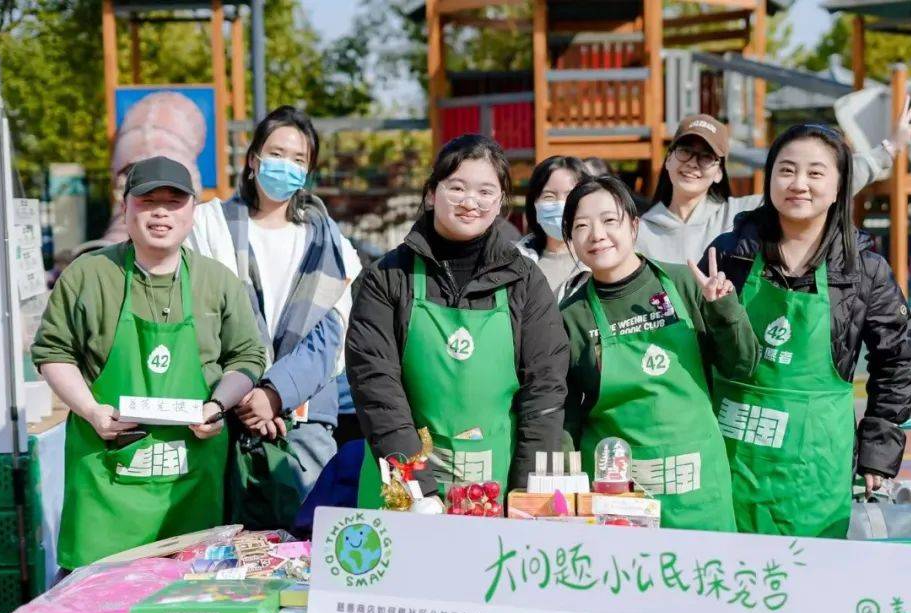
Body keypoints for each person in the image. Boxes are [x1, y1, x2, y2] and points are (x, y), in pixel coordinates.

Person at [33, 156, 266, 568]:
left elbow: (247, 356)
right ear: (125, 208)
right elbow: (53, 352)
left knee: (186, 609)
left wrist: (216, 406)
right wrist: (91, 410)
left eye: (174, 202)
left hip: (191, 478)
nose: (160, 212)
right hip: (106, 479)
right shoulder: (89, 275)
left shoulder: (218, 281)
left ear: (192, 212)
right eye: (147, 200)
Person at [710, 123, 911, 538]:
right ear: (769, 178)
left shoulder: (863, 271)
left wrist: (878, 451)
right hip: (729, 453)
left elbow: (896, 361)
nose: (798, 184)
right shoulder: (729, 254)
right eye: (786, 170)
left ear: (840, 186)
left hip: (816, 463)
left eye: (815, 173)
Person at [347, 134, 568, 507]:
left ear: (500, 203)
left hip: (497, 491)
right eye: (457, 188)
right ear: (432, 193)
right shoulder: (387, 277)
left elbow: (544, 391)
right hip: (403, 492)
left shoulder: (525, 282)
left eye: (485, 191)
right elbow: (376, 386)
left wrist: (525, 495)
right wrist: (417, 486)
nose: (470, 202)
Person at [560, 175, 759, 531]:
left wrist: (724, 309)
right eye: (581, 226)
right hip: (619, 502)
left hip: (698, 494)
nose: (597, 234)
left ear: (634, 226)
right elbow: (566, 418)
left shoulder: (686, 284)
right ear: (571, 241)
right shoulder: (571, 317)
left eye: (609, 220)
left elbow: (742, 365)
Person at [187, 105, 352, 523]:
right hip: (225, 412)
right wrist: (244, 395)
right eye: (276, 154)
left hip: (303, 418)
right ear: (253, 158)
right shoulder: (210, 226)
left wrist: (275, 394)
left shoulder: (330, 244)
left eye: (299, 160)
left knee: (305, 548)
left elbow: (332, 334)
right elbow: (202, 321)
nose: (286, 167)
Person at [635, 101, 911, 264]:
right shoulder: (637, 230)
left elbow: (824, 185)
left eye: (706, 157)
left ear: (720, 172)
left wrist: (889, 149)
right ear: (669, 159)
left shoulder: (740, 215)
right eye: (685, 151)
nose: (693, 164)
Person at [516, 155, 589, 299]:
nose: (561, 204)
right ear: (534, 203)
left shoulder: (602, 259)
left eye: (570, 196)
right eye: (549, 196)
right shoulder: (516, 264)